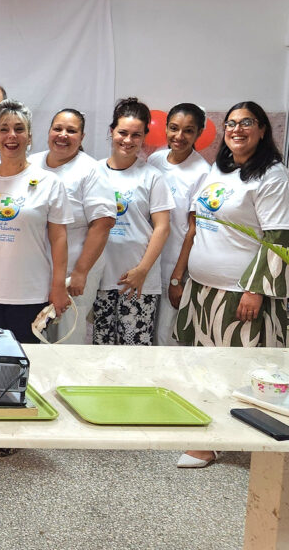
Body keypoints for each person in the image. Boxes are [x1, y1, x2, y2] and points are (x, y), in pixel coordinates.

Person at [172, 101, 289, 468]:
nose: (237, 130)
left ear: (263, 130)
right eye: (231, 124)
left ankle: (247, 443)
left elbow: (279, 237)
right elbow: (198, 224)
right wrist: (182, 276)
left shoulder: (272, 176)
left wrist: (256, 288)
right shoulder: (219, 170)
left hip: (241, 293)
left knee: (242, 369)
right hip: (202, 288)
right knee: (202, 367)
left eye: (247, 123)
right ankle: (208, 434)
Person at [0, 99, 71, 344]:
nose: (11, 136)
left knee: (26, 367)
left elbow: (59, 238)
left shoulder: (49, 182)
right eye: (3, 129)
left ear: (29, 136)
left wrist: (59, 286)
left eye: (19, 129)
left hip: (30, 295)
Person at [30, 109, 116, 344]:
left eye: (71, 130)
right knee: (34, 334)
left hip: (73, 273)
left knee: (66, 337)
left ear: (82, 137)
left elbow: (103, 224)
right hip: (36, 270)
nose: (63, 135)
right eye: (57, 128)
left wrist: (81, 272)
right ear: (48, 131)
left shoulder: (90, 170)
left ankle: (63, 381)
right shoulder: (32, 163)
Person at [94, 98, 174, 346]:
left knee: (134, 353)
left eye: (136, 135)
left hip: (139, 282)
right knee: (100, 351)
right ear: (111, 132)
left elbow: (162, 227)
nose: (128, 140)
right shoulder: (94, 172)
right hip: (100, 279)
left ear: (144, 137)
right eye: (122, 133)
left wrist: (142, 270)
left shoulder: (152, 176)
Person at [147, 103, 211, 346]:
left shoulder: (202, 172)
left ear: (199, 133)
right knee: (143, 334)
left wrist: (177, 279)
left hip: (174, 266)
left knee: (165, 337)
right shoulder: (154, 160)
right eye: (174, 128)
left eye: (188, 131)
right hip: (147, 264)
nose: (179, 137)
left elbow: (193, 230)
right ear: (165, 128)